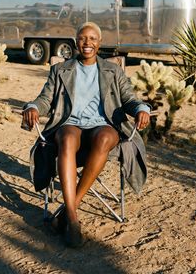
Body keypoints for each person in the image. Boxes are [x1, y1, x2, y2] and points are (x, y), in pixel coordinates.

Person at [22, 22, 150, 247]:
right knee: (68, 138)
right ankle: (72, 219)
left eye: (92, 39)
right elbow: (45, 99)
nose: (87, 43)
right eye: (82, 38)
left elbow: (129, 98)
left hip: (102, 124)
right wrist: (33, 107)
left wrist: (142, 109)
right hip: (70, 123)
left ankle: (68, 211)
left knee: (106, 138)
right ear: (75, 42)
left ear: (99, 43)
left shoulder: (113, 70)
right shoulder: (61, 70)